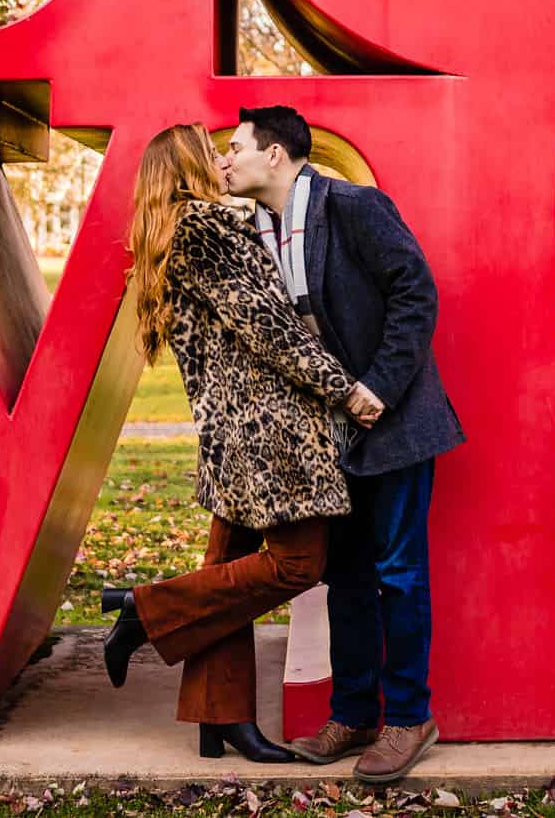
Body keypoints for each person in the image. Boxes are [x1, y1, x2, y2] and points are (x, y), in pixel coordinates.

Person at [101, 123, 385, 764]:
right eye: (216, 150)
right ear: (191, 164)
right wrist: (345, 390)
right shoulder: (205, 227)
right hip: (271, 434)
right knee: (296, 566)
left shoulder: (181, 231)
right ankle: (142, 612)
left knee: (226, 569)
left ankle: (218, 715)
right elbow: (271, 331)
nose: (226, 158)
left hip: (235, 434)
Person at [221, 105, 465, 787]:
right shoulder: (258, 228)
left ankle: (409, 717)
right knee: (347, 577)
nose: (225, 160)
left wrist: (378, 389)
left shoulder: (355, 206)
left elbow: (416, 292)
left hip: (396, 423)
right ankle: (354, 712)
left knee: (399, 573)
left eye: (235, 147)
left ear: (275, 154)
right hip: (335, 438)